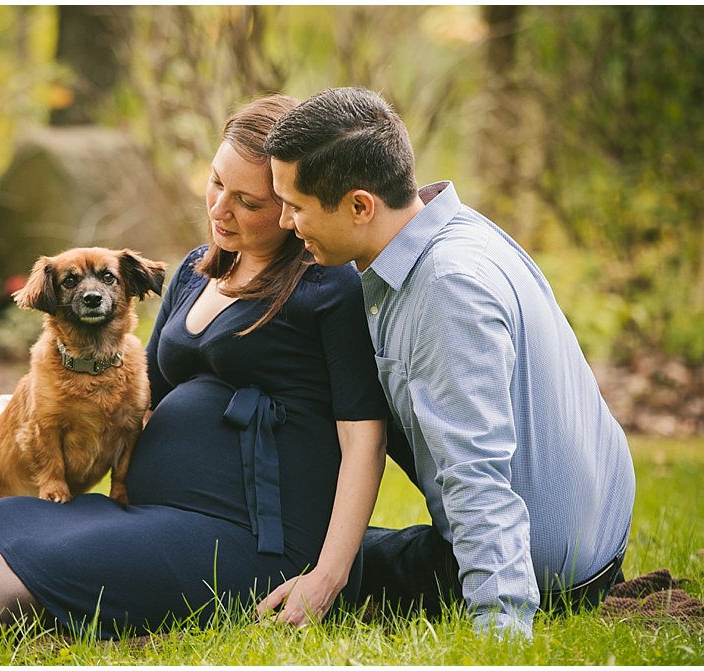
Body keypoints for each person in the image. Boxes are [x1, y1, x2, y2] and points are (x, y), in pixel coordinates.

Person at [0, 94, 390, 643]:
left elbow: (363, 436)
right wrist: (10, 407)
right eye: (216, 181)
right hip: (142, 505)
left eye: (248, 201)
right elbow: (133, 393)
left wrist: (328, 574)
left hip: (248, 535)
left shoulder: (323, 287)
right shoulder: (201, 269)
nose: (221, 208)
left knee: (10, 577)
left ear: (290, 201)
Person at [264, 86, 635, 639]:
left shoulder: (447, 289)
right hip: (591, 532)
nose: (286, 223)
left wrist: (499, 629)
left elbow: (476, 472)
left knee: (277, 555)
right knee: (314, 545)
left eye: (296, 206)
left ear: (361, 205)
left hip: (544, 570)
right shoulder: (450, 230)